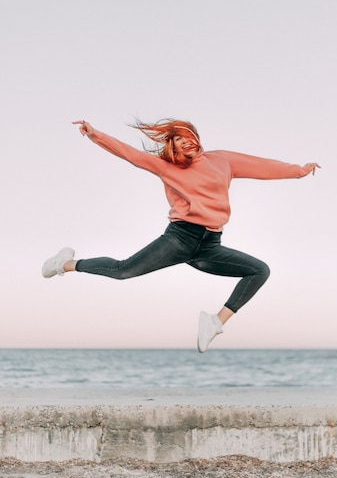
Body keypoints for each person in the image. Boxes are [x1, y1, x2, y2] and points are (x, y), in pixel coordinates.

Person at [42, 119, 320, 352]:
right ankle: (65, 263)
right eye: (179, 140)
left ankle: (216, 322)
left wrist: (299, 171)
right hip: (180, 239)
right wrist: (96, 136)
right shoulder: (168, 168)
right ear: (171, 147)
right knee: (122, 270)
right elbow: (131, 155)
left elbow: (261, 166)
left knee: (259, 270)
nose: (187, 142)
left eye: (190, 137)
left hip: (210, 245)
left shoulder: (222, 160)